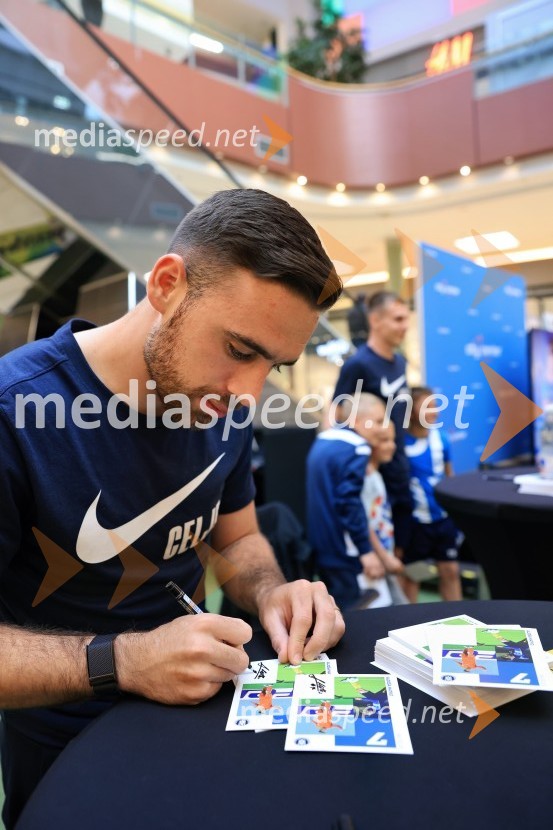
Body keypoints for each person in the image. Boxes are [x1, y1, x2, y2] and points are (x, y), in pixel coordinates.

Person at [0, 188, 346, 828]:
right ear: (166, 285)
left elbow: (237, 542)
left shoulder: (223, 405)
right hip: (70, 758)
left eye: (275, 365)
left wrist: (272, 592)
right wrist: (126, 661)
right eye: (241, 350)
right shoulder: (16, 413)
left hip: (205, 721)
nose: (250, 393)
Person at [333, 291, 412, 556]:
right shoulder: (358, 364)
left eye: (406, 319)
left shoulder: (400, 362)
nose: (405, 326)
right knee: (380, 546)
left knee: (404, 546)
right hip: (372, 471)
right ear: (376, 321)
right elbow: (336, 411)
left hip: (399, 459)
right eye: (398, 319)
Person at [306, 393, 388, 610]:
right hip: (343, 548)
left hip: (321, 544)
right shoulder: (357, 447)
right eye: (378, 421)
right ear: (359, 420)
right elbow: (348, 503)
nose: (382, 428)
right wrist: (365, 550)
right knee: (353, 616)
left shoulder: (323, 440)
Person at [402, 386, 463, 603]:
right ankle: (406, 625)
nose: (433, 412)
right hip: (415, 524)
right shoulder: (400, 443)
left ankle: (459, 622)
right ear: (411, 411)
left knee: (451, 571)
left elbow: (449, 475)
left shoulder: (442, 438)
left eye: (434, 406)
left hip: (443, 521)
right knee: (412, 575)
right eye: (426, 406)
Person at [360, 422, 408, 607]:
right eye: (385, 441)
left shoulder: (376, 474)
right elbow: (363, 521)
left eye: (393, 440)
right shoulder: (365, 478)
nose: (393, 446)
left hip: (384, 555)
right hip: (375, 561)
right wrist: (384, 557)